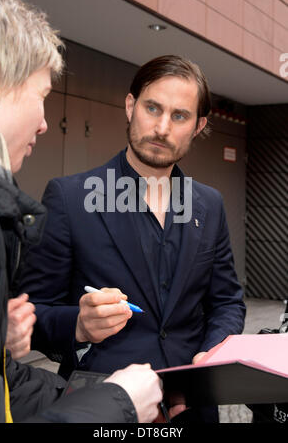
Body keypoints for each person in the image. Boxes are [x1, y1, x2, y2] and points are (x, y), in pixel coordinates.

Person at [20, 54, 246, 422]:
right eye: (152, 108)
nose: (161, 127)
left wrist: (208, 359)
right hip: (104, 406)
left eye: (179, 115)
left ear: (198, 125)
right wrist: (78, 325)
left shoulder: (210, 204)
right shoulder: (70, 198)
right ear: (130, 105)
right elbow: (32, 314)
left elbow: (227, 303)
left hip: (193, 406)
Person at [0, 0, 163, 423]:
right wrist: (117, 403)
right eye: (43, 96)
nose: (47, 123)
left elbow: (4, 386)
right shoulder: (67, 196)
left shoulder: (208, 204)